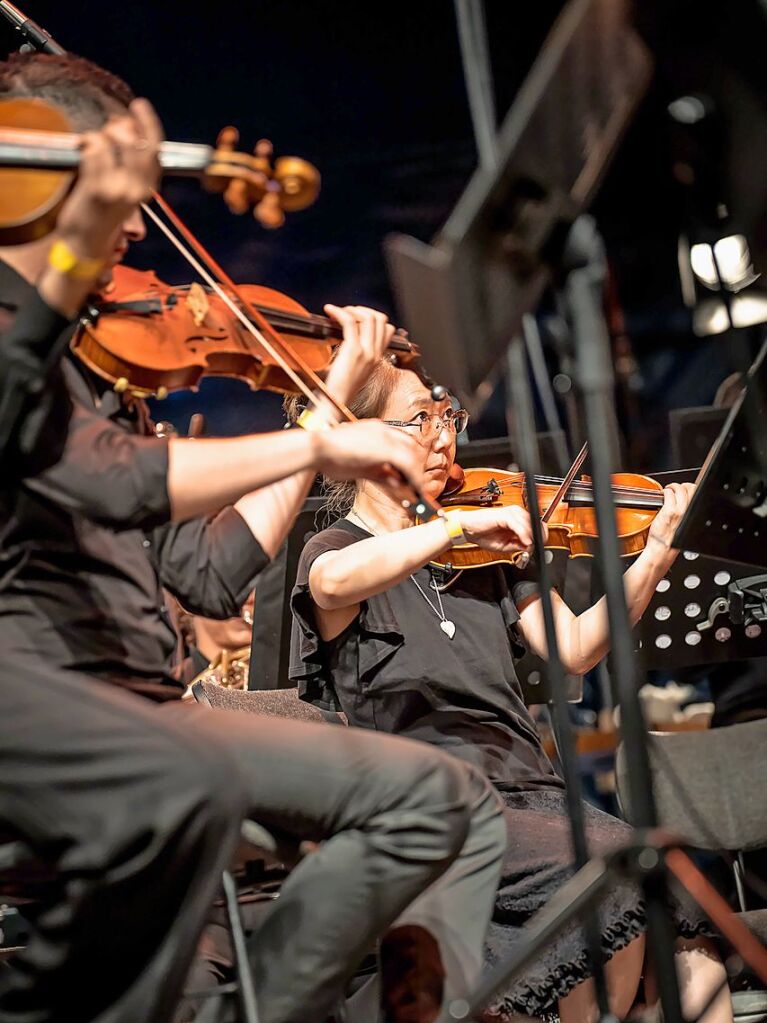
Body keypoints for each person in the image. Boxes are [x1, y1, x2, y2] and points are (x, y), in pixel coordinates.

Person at [0, 52, 508, 1023]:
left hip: (153, 705)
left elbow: (208, 570)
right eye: (118, 198)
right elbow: (116, 481)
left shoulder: (90, 355)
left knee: (446, 796)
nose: (141, 229)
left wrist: (319, 426)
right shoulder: (18, 345)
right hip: (57, 715)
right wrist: (320, 433)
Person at [289, 354, 734, 1023]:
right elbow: (330, 582)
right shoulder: (338, 547)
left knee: (696, 968)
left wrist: (653, 557)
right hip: (432, 809)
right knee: (606, 873)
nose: (445, 437)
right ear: (361, 440)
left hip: (535, 798)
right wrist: (455, 526)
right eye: (419, 419)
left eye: (449, 417)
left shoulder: (486, 552)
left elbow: (576, 646)